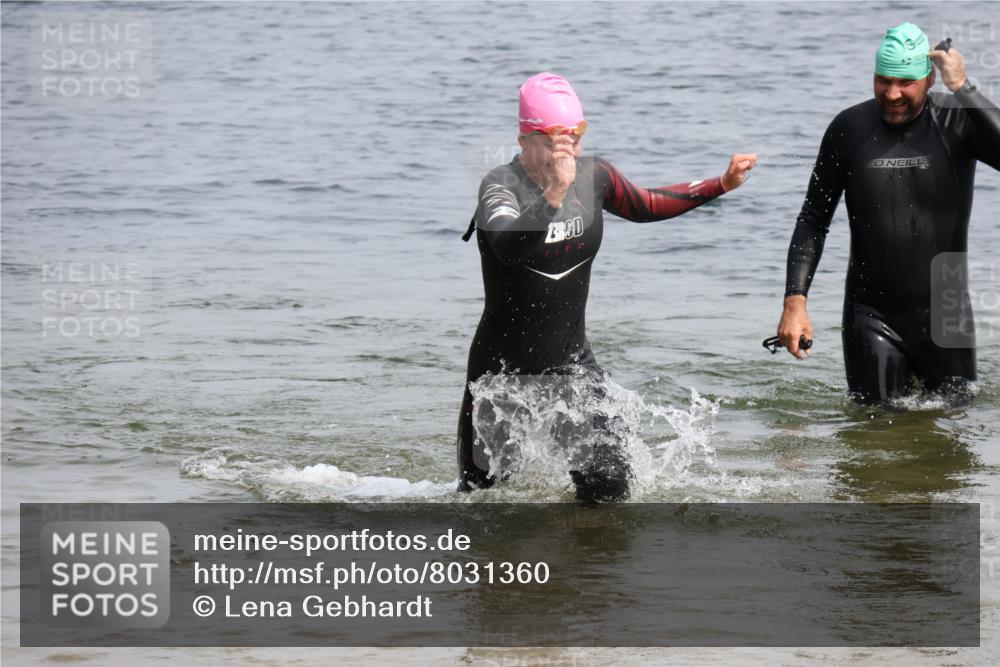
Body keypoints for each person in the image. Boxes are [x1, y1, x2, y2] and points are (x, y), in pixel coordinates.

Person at [458, 72, 756, 501]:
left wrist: (720, 184)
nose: (568, 153)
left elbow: (647, 204)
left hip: (572, 367)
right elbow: (508, 245)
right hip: (501, 378)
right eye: (555, 141)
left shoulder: (594, 177)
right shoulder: (499, 186)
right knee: (481, 505)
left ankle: (586, 568)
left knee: (611, 486)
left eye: (575, 138)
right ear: (525, 139)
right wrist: (555, 192)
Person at [777, 23, 1000, 405]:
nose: (892, 93)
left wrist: (964, 87)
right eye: (882, 80)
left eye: (904, 82)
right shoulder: (848, 128)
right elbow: (813, 218)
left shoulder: (958, 120)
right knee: (874, 433)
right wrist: (794, 303)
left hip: (947, 309)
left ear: (930, 79)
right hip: (871, 310)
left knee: (953, 433)